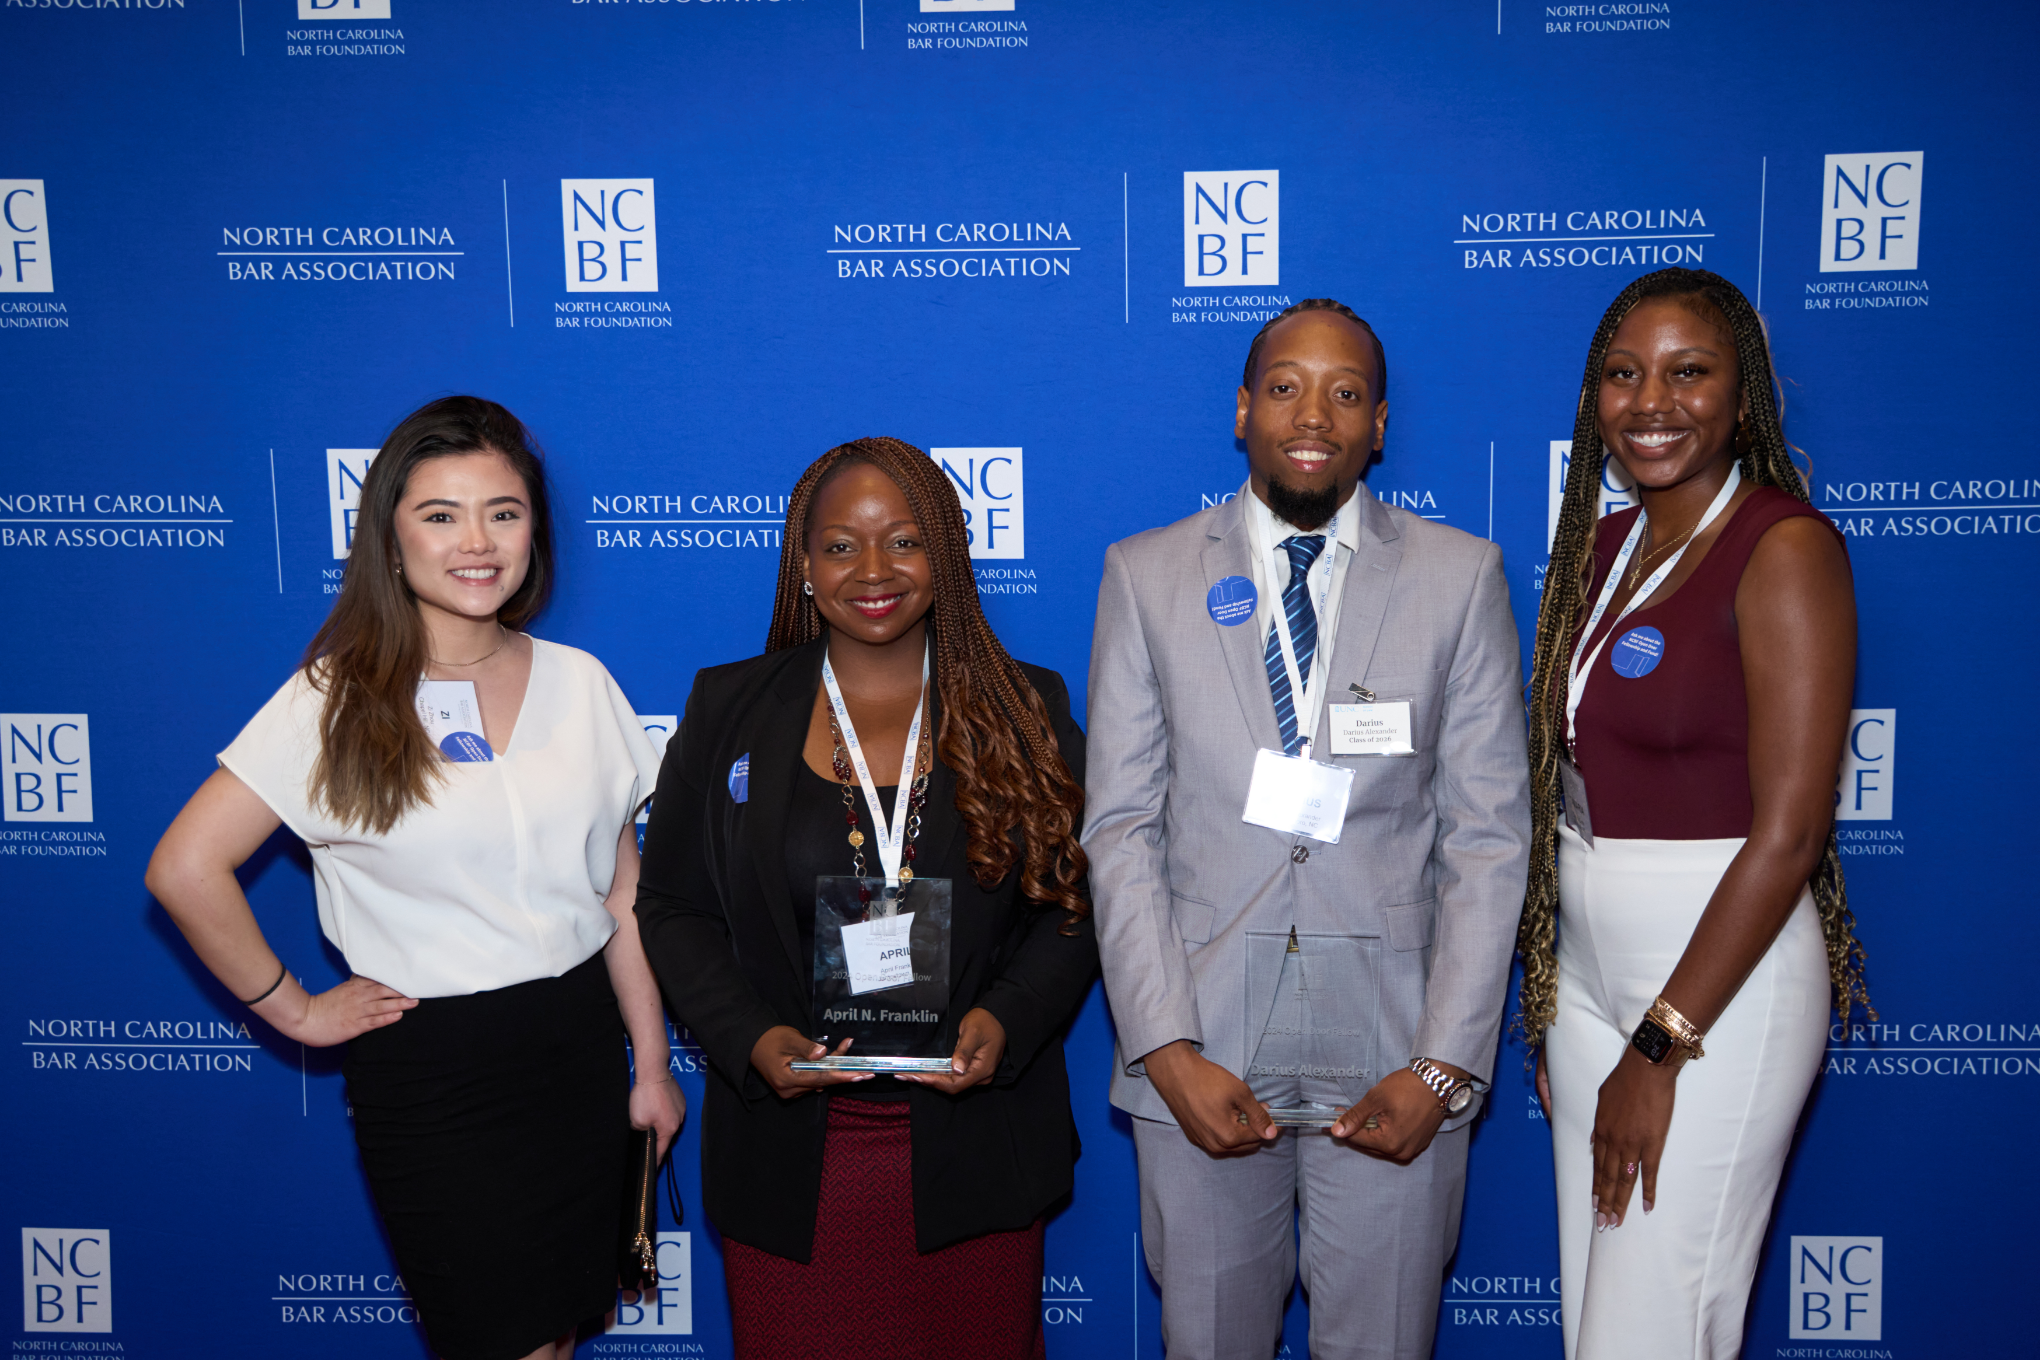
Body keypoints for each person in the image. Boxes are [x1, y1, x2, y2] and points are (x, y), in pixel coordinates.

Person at [145, 397, 683, 1360]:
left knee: (557, 1334)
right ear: (390, 541)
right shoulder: (336, 697)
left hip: (579, 1049)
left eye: (503, 512)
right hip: (436, 1073)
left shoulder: (582, 680)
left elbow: (620, 897)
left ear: (534, 533)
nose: (476, 541)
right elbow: (185, 867)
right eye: (441, 514)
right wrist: (297, 1011)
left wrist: (650, 1068)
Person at [1084, 298, 1531, 1360]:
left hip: (1393, 1046)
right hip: (1203, 1041)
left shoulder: (1460, 576)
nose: (1312, 414)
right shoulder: (1145, 575)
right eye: (1285, 386)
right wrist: (1164, 1046)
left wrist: (1442, 1069)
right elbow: (1122, 827)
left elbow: (1488, 839)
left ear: (1379, 424)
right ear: (1243, 410)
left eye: (1346, 392)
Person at [633, 437, 1097, 1360]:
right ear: (803, 567)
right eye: (841, 545)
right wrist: (749, 1039)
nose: (874, 571)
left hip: (976, 1150)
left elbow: (1076, 904)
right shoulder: (727, 709)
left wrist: (1009, 1018)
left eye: (906, 541)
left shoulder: (1026, 706)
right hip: (793, 1153)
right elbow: (673, 907)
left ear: (948, 557)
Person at [1521, 267, 1873, 1359]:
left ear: (1743, 392)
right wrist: (1557, 988)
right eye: (1623, 375)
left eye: (1689, 372)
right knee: (1598, 1326)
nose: (1651, 402)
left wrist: (1659, 1046)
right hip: (1588, 981)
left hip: (1714, 987)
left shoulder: (1785, 547)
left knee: (1653, 1334)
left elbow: (1792, 833)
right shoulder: (1604, 548)